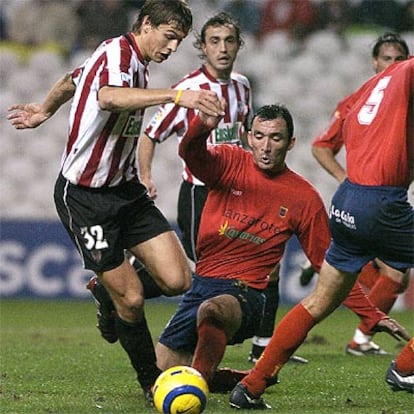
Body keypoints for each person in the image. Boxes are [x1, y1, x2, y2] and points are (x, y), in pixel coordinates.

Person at [7, 0, 225, 403]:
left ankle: (105, 292)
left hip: (126, 192)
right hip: (86, 198)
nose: (172, 48)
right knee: (133, 299)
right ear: (145, 24)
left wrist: (44, 109)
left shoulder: (133, 64)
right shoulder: (115, 53)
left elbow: (74, 79)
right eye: (169, 37)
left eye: (178, 41)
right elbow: (107, 97)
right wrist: (178, 96)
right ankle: (150, 381)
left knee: (178, 280)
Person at [153, 104, 409, 394]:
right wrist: (201, 126)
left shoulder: (304, 198)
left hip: (246, 294)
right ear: (248, 137)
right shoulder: (227, 161)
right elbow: (190, 154)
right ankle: (228, 378)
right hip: (201, 286)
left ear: (291, 143)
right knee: (160, 377)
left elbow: (330, 266)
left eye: (275, 138)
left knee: (213, 313)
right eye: (259, 136)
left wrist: (370, 313)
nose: (266, 146)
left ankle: (201, 380)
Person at [229, 56, 414, 409]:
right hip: (382, 202)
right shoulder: (408, 72)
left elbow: (349, 125)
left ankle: (251, 386)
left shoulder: (376, 83)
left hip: (347, 200)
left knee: (319, 301)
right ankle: (406, 367)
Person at [311, 32, 410, 356]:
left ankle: (258, 377)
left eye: (398, 59)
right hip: (372, 200)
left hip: (366, 202)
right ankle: (364, 340)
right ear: (374, 62)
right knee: (394, 272)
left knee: (326, 296)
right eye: (386, 59)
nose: (392, 65)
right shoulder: (358, 100)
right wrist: (345, 177)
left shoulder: (384, 97)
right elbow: (322, 146)